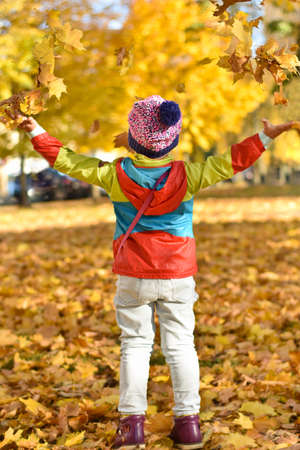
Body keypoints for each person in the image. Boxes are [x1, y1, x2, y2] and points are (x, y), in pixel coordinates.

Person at [10, 96, 295, 449]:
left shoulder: (114, 175)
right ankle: (188, 424)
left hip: (134, 274)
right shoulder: (188, 175)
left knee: (135, 345)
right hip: (177, 274)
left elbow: (66, 160)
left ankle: (132, 428)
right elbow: (230, 163)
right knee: (181, 347)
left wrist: (35, 129)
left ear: (134, 136)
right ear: (173, 141)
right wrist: (264, 137)